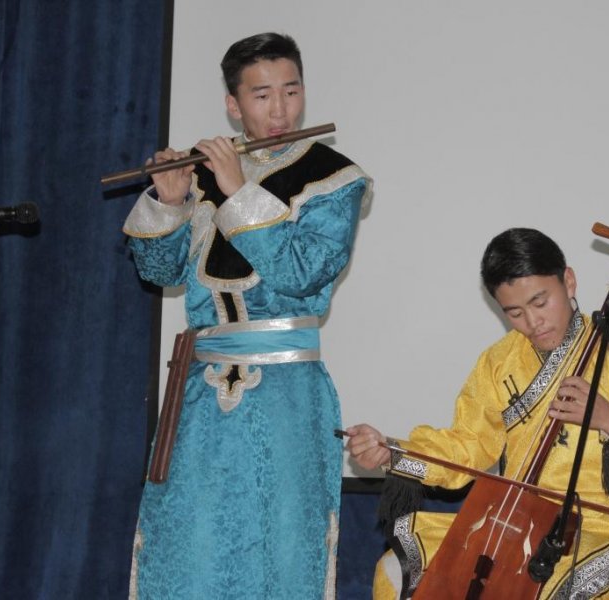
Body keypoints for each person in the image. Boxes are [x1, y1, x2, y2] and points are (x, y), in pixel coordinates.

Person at [123, 32, 371, 599]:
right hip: (200, 402)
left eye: (291, 90)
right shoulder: (202, 171)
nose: (280, 108)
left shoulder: (335, 177)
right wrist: (169, 198)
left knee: (279, 541)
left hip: (286, 392)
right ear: (233, 104)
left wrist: (236, 189)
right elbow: (159, 271)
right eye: (261, 96)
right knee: (190, 541)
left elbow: (304, 271)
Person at [346, 228, 609, 599]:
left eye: (541, 302)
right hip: (515, 521)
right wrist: (393, 451)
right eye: (515, 313)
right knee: (397, 571)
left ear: (568, 281)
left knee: (550, 590)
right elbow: (469, 447)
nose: (533, 322)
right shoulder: (498, 362)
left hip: (601, 526)